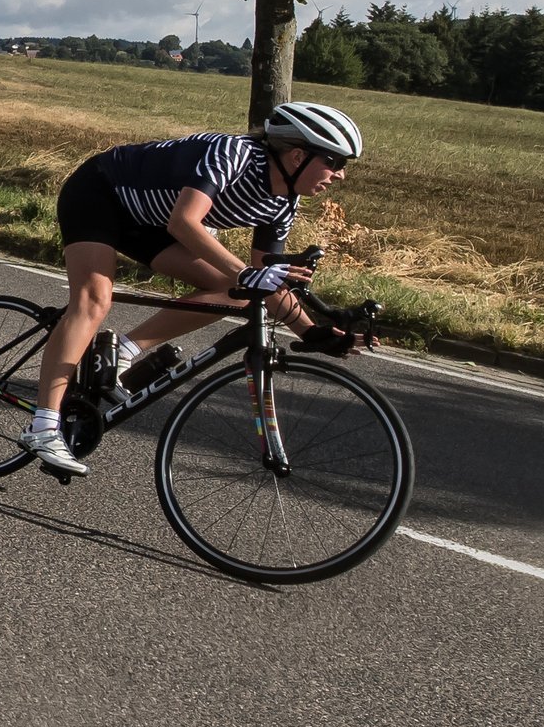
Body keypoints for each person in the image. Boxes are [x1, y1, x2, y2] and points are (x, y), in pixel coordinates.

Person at [23, 99, 369, 477]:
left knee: (236, 292)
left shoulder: (283, 202)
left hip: (149, 222)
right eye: (334, 162)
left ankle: (124, 349)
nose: (339, 175)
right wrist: (243, 273)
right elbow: (185, 222)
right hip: (102, 194)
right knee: (93, 301)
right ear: (297, 155)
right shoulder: (233, 153)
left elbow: (264, 281)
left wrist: (314, 332)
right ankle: (43, 426)